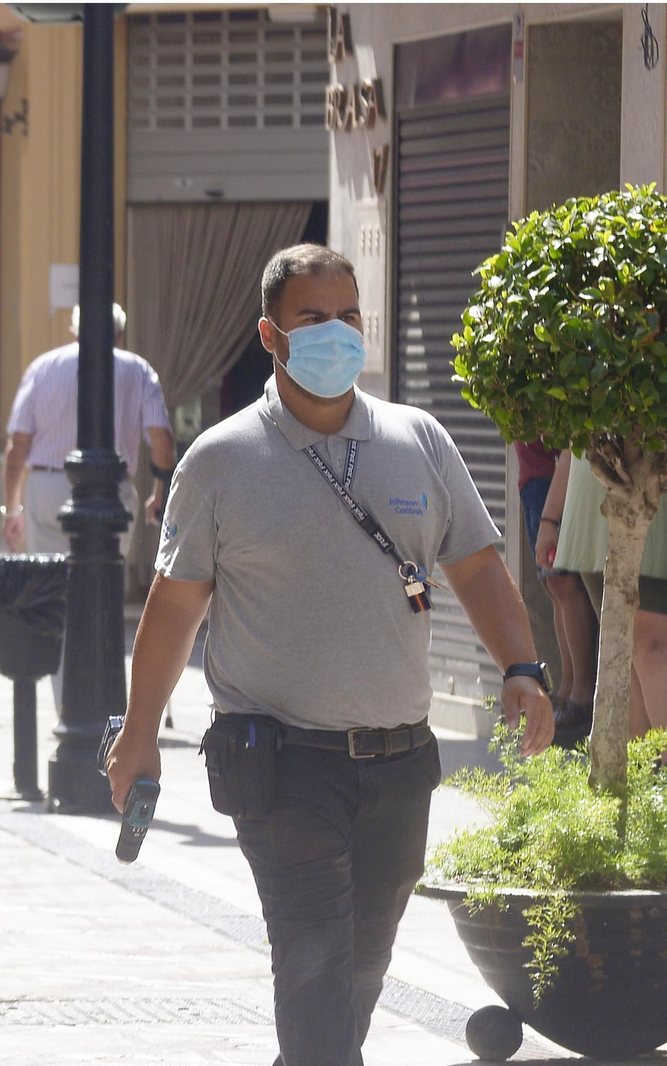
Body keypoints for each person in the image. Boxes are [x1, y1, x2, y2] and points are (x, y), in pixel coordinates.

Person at [104, 244, 554, 1066]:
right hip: (280, 762)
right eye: (314, 319)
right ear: (272, 336)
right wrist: (139, 736)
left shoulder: (416, 437)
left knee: (359, 972)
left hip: (400, 759)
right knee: (311, 962)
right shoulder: (220, 460)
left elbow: (480, 566)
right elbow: (173, 611)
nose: (337, 334)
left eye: (349, 316)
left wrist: (522, 668)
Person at [2, 302, 177, 556]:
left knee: (51, 582)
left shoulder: (43, 368)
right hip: (113, 489)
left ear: (75, 332)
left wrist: (11, 509)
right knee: (106, 579)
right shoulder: (139, 370)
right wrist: (161, 491)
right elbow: (162, 440)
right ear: (119, 336)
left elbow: (17, 447)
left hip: (48, 488)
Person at [539, 449, 667, 738]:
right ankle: (633, 776)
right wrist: (549, 518)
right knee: (624, 653)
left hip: (651, 485)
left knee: (649, 646)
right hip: (590, 499)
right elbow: (572, 442)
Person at [516, 444, 597, 734]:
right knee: (554, 587)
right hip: (534, 479)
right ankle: (567, 688)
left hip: (553, 478)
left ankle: (581, 694)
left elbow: (567, 440)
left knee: (564, 585)